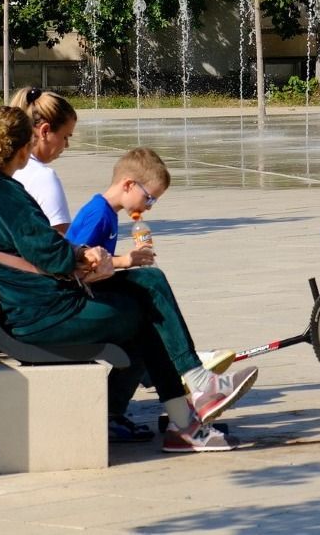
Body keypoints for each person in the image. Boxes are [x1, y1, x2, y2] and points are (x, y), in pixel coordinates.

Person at [0, 106, 258, 452]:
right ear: (21, 148)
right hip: (40, 315)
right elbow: (49, 253)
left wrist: (80, 254)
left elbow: (36, 247)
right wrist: (84, 255)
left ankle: (194, 398)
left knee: (149, 282)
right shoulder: (3, 195)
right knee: (145, 314)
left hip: (25, 304)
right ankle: (188, 414)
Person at [66, 145, 237, 439]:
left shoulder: (106, 213)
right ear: (128, 184)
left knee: (148, 319)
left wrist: (123, 263)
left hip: (85, 294)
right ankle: (195, 377)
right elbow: (74, 266)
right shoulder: (98, 215)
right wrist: (125, 261)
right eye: (149, 198)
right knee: (152, 283)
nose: (148, 206)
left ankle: (116, 413)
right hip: (75, 301)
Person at [10, 87, 76, 233]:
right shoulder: (42, 177)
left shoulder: (3, 166)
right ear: (44, 131)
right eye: (65, 136)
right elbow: (62, 243)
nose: (67, 145)